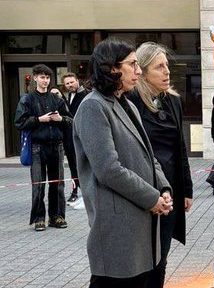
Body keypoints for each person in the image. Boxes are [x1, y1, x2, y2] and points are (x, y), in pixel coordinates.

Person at [72, 38, 173, 288]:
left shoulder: (127, 104)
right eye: (132, 64)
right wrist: (152, 199)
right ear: (112, 68)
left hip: (140, 225)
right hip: (117, 228)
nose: (139, 71)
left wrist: (164, 188)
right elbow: (109, 169)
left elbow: (149, 157)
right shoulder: (93, 107)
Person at [127, 42, 194, 288]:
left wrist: (186, 189)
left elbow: (180, 148)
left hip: (170, 189)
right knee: (143, 258)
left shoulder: (172, 100)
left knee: (161, 256)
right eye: (159, 67)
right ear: (142, 71)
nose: (167, 72)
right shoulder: (131, 101)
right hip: (143, 190)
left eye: (167, 65)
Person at [14, 64, 72, 231]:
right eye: (42, 77)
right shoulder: (27, 99)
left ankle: (57, 216)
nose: (45, 81)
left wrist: (60, 119)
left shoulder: (57, 100)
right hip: (37, 147)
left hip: (57, 146)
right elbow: (19, 122)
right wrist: (39, 119)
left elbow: (71, 121)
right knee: (38, 184)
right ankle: (39, 218)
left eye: (47, 78)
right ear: (35, 78)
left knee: (58, 184)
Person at [62, 72, 89, 202]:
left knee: (83, 165)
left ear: (77, 81)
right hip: (69, 138)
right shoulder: (68, 96)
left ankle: (86, 192)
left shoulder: (87, 95)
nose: (70, 85)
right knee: (73, 166)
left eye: (72, 82)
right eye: (67, 83)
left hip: (82, 138)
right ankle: (74, 191)